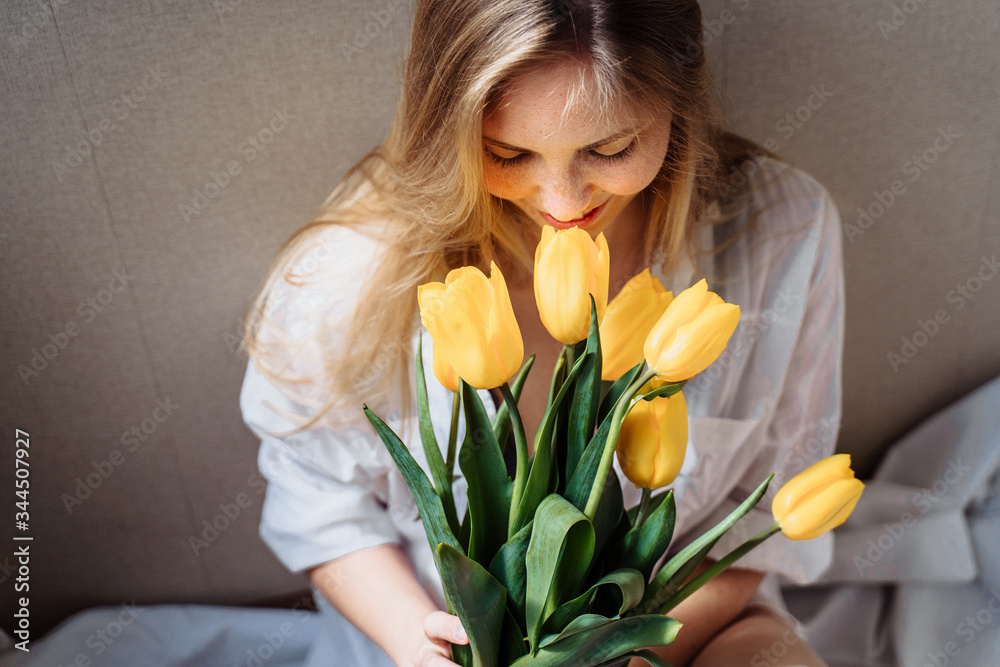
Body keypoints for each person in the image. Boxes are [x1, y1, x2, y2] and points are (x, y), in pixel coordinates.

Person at [240, 1, 843, 665]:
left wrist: (629, 653)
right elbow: (318, 505)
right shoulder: (351, 276)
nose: (561, 204)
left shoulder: (782, 230)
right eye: (508, 153)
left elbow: (761, 511)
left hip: (683, 623)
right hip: (434, 633)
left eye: (610, 148)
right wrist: (419, 645)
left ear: (681, 100)